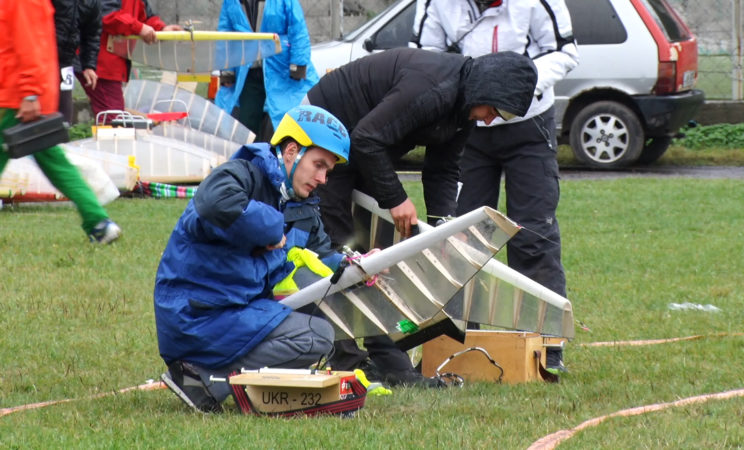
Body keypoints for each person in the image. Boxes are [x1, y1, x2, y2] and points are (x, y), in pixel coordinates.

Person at [305, 47, 538, 387]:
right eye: (495, 110)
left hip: (364, 147)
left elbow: (443, 169)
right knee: (342, 249)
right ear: (486, 87)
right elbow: (367, 138)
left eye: (499, 117)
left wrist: (445, 227)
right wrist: (396, 199)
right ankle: (346, 357)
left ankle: (388, 361)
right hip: (327, 135)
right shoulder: (434, 88)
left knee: (381, 256)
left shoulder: (462, 110)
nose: (490, 120)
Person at [411, 0, 580, 374]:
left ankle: (547, 345)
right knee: (459, 238)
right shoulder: (435, 5)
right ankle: (454, 342)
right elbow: (424, 55)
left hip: (529, 125)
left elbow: (565, 52)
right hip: (465, 126)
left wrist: (510, 90)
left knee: (534, 234)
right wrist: (465, 93)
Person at [155, 105, 353, 413]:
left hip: (234, 313)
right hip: (193, 315)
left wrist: (358, 267)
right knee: (317, 336)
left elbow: (323, 258)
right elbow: (212, 203)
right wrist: (271, 228)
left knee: (319, 333)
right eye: (318, 165)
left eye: (328, 170)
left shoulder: (302, 207)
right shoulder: (242, 173)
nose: (323, 178)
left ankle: (206, 375)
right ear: (291, 151)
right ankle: (202, 377)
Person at [0, 0, 121, 244]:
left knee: (53, 162)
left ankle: (98, 221)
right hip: (22, 93)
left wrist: (29, 93)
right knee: (54, 162)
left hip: (18, 96)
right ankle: (98, 221)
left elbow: (29, 45)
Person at [216, 0, 318, 142]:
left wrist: (298, 64)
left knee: (286, 121)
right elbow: (225, 34)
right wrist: (227, 70)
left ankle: (281, 160)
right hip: (248, 73)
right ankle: (250, 160)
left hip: (282, 71)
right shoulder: (231, 2)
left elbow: (297, 27)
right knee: (247, 126)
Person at [78, 0, 182, 119]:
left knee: (112, 116)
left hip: (109, 63)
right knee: (113, 118)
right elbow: (106, 14)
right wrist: (139, 28)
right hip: (99, 62)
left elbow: (145, 15)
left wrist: (161, 29)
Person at [52, 0, 102, 125]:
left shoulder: (91, 2)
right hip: (43, 61)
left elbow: (92, 32)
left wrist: (89, 65)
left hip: (66, 63)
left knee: (64, 119)